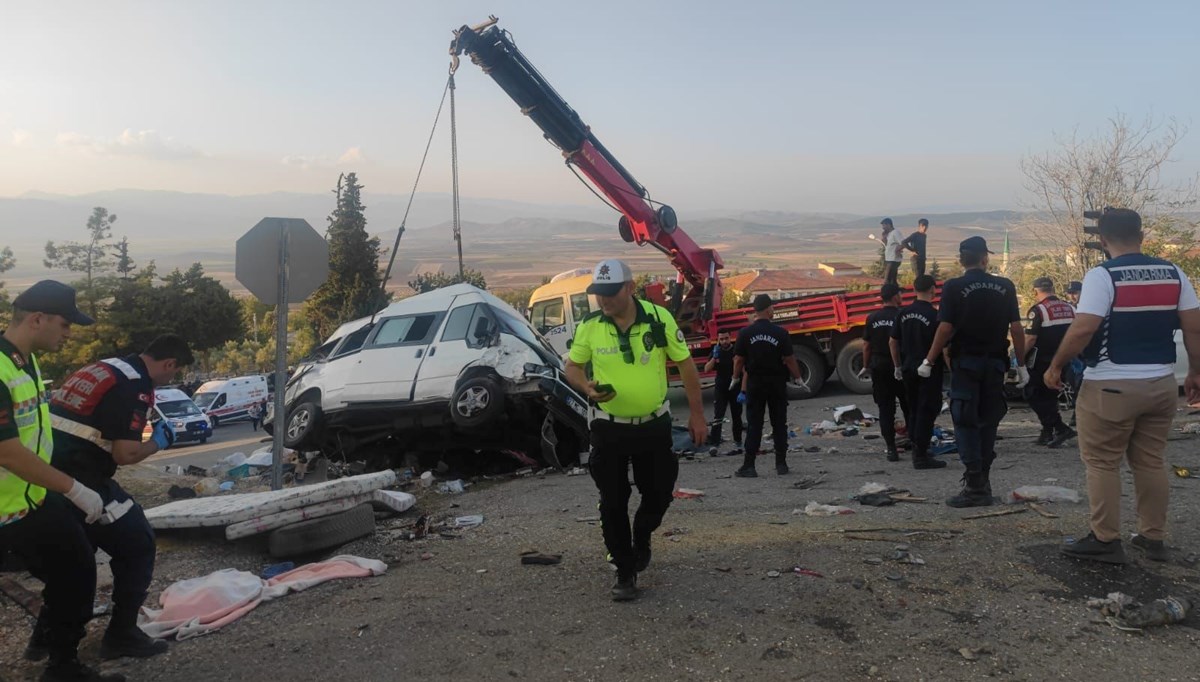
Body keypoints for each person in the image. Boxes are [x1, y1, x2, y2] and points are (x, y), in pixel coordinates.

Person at [1046, 208, 1200, 564]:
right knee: (1149, 461)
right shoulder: (1174, 273)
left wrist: (1055, 365)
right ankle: (1152, 537)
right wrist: (1195, 371)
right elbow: (1193, 326)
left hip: (1110, 384)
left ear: (1102, 240)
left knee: (1102, 462)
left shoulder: (1103, 276)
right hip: (1161, 383)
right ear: (1141, 236)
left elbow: (1084, 328)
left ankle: (1105, 539)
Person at [36, 334, 193, 661]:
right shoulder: (135, 386)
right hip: (82, 476)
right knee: (138, 543)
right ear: (169, 364)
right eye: (174, 374)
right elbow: (125, 453)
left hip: (46, 469)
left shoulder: (104, 367)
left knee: (74, 554)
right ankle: (121, 635)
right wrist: (158, 443)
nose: (170, 379)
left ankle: (44, 638)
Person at [0, 281, 126, 682]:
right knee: (72, 570)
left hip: (31, 497)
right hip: (8, 509)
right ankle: (60, 662)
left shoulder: (25, 361)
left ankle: (59, 659)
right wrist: (72, 488)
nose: (68, 333)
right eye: (65, 323)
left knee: (74, 569)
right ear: (37, 319)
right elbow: (5, 450)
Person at [565, 259, 705, 602]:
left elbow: (685, 364)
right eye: (598, 294)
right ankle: (625, 571)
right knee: (612, 500)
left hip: (653, 425)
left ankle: (641, 535)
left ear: (629, 287)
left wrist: (697, 415)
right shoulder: (591, 326)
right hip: (608, 428)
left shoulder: (658, 319)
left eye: (610, 293)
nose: (604, 300)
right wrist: (586, 387)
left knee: (658, 493)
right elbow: (572, 367)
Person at [920, 237, 1027, 507]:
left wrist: (930, 360)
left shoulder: (954, 286)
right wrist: (1022, 365)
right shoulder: (1005, 286)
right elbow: (1016, 328)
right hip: (995, 364)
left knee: (965, 422)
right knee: (988, 420)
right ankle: (984, 482)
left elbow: (945, 328)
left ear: (960, 260)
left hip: (966, 364)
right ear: (984, 259)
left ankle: (976, 488)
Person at [731, 294, 802, 478]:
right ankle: (781, 464)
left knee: (754, 425)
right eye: (773, 308)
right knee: (779, 423)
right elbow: (789, 359)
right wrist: (798, 378)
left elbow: (739, 359)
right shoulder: (781, 333)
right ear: (769, 309)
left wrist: (735, 378)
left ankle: (749, 466)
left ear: (755, 310)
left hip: (755, 384)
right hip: (776, 383)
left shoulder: (745, 333)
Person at [889, 275, 948, 470]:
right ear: (933, 289)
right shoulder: (934, 315)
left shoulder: (903, 313)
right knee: (928, 409)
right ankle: (921, 456)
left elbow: (893, 341)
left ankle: (918, 447)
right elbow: (943, 345)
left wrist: (897, 366)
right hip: (928, 369)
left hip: (908, 368)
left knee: (913, 409)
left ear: (914, 289)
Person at [1024, 277, 1076, 448]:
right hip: (1065, 359)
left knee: (1033, 393)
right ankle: (1047, 432)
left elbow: (1031, 338)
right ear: (1053, 289)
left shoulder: (1038, 310)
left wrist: (1019, 357)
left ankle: (1060, 428)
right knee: (1050, 396)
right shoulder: (1070, 308)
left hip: (1042, 361)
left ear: (1035, 291)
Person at [862, 284, 911, 462]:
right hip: (901, 367)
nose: (901, 297)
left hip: (880, 367)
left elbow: (866, 345)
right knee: (909, 407)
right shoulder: (903, 315)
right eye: (899, 294)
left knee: (885, 410)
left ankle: (891, 449)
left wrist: (866, 365)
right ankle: (915, 443)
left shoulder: (872, 317)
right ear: (894, 296)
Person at [704, 331, 742, 451]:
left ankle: (738, 441)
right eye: (721, 339)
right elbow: (706, 369)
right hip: (721, 387)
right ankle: (715, 444)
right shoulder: (716, 351)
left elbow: (744, 367)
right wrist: (714, 358)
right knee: (718, 415)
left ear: (730, 338)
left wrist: (744, 390)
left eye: (726, 338)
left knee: (737, 415)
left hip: (735, 386)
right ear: (718, 340)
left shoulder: (736, 350)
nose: (724, 341)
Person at [881, 218, 904, 286]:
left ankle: (888, 293)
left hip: (893, 260)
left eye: (884, 226)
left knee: (887, 280)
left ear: (889, 225)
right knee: (892, 280)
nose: (883, 228)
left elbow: (903, 243)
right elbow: (888, 245)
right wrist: (884, 238)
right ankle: (896, 292)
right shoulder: (889, 234)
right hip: (889, 259)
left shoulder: (896, 232)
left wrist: (898, 249)